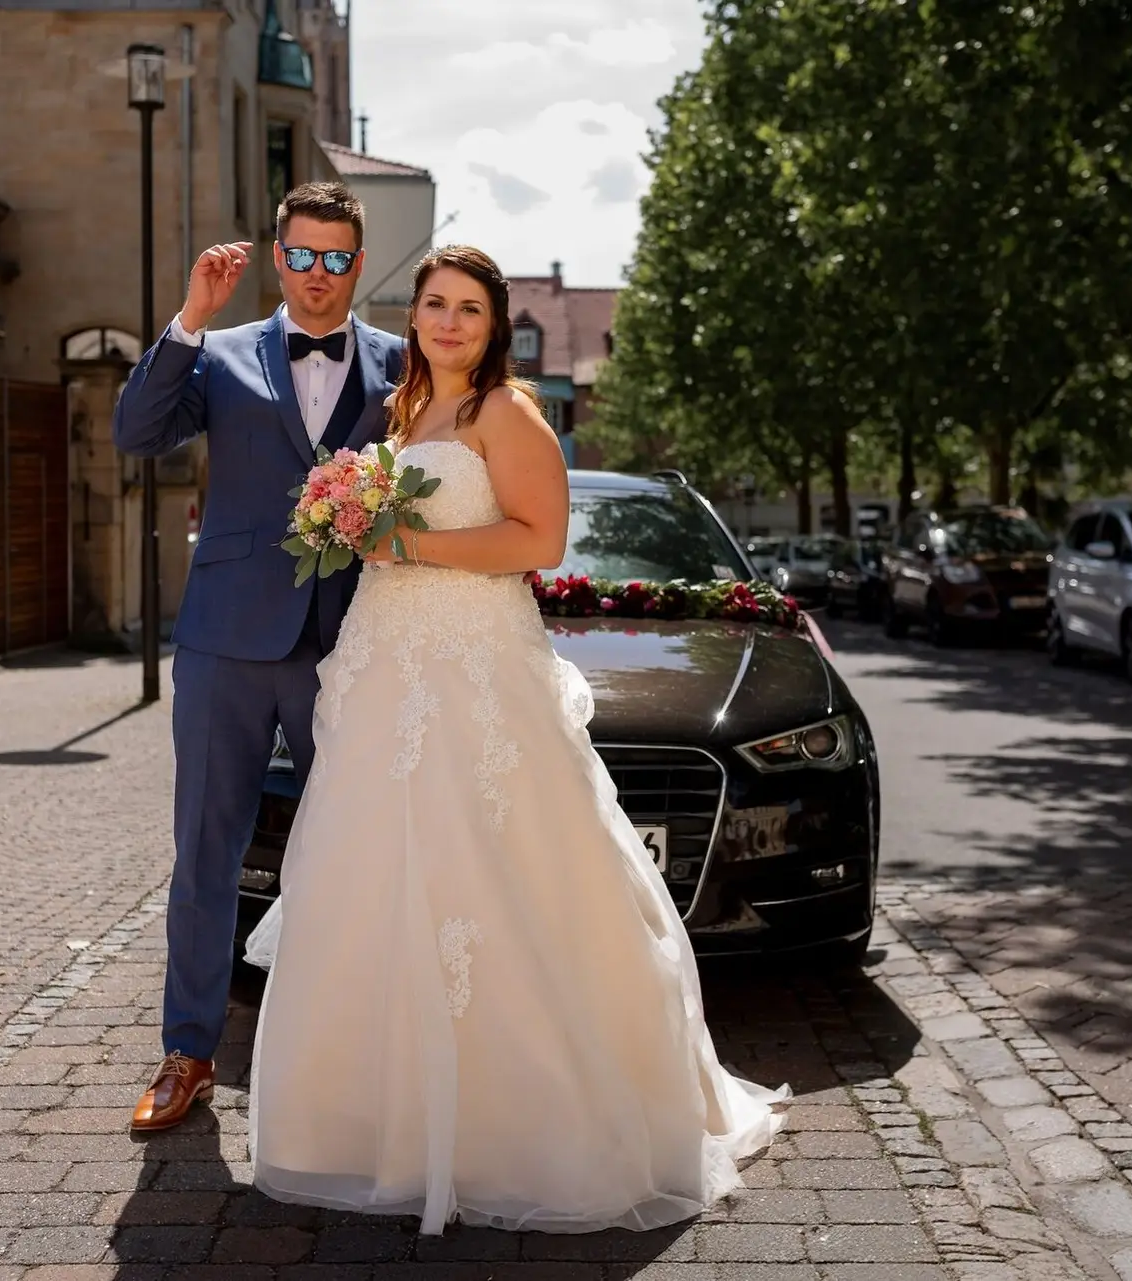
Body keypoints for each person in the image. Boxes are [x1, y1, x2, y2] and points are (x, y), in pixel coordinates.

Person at [242, 245, 789, 1235]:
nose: (450, 323)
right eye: (435, 306)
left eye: (470, 310)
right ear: (416, 318)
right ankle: (369, 1125)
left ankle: (531, 1126)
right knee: (376, 880)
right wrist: (353, 525)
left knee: (495, 876)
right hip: (386, 672)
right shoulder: (406, 414)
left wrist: (406, 543)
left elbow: (538, 540)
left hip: (475, 676)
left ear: (496, 326)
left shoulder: (507, 413)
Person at [112, 182, 407, 1134]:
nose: (319, 274)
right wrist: (191, 318)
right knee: (207, 851)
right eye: (303, 255)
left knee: (359, 853)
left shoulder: (403, 367)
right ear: (279, 258)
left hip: (353, 644)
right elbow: (137, 434)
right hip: (225, 644)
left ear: (356, 266)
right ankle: (188, 1051)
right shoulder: (222, 354)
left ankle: (355, 1050)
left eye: (337, 259)